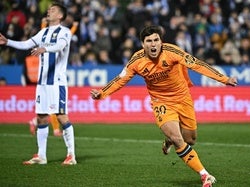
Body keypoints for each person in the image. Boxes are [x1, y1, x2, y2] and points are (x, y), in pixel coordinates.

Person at [91, 25, 238, 187]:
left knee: (190, 139)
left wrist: (224, 79)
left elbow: (197, 64)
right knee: (178, 139)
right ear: (142, 44)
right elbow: (120, 79)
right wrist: (102, 93)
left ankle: (168, 140)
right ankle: (205, 175)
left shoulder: (172, 51)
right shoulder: (136, 61)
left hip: (183, 99)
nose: (153, 44)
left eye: (156, 40)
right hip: (161, 102)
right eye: (149, 41)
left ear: (161, 42)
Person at [0, 2, 76, 165]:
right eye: (49, 9)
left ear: (60, 16)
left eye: (53, 10)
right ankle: (41, 156)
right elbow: (27, 44)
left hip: (56, 82)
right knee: (41, 118)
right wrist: (8, 42)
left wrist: (45, 49)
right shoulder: (43, 32)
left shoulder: (65, 31)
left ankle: (71, 156)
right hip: (42, 83)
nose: (49, 11)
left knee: (62, 117)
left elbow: (60, 46)